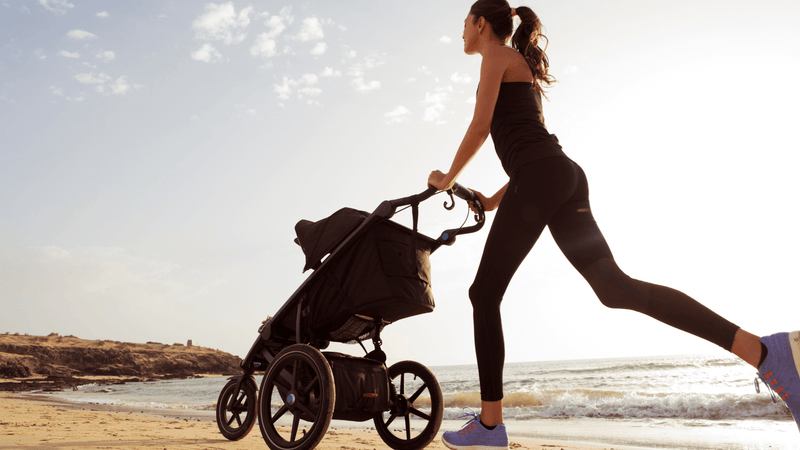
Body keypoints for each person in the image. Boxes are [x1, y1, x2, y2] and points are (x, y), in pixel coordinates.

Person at [426, 1, 800, 449]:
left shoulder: (496, 57)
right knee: (615, 289)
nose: (461, 33)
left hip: (544, 176)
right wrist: (491, 198)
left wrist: (447, 177)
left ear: (481, 24)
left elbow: (481, 125)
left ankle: (489, 426)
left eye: (465, 24)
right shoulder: (516, 65)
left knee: (483, 293)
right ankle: (764, 351)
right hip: (559, 175)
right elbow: (535, 146)